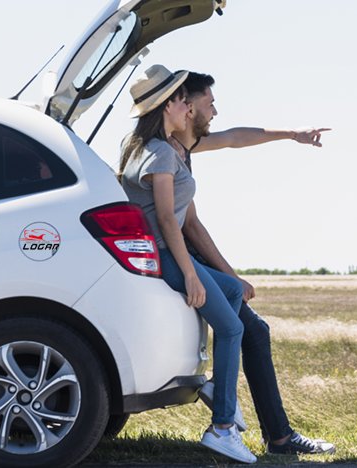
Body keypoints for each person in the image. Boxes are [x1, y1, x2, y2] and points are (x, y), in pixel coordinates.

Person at [175, 70, 336, 455]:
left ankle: (271, 429)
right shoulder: (163, 151)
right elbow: (189, 229)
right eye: (210, 103)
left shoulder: (184, 146)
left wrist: (291, 133)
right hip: (182, 259)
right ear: (188, 106)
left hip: (192, 256)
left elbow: (235, 138)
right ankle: (274, 435)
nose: (215, 111)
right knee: (252, 330)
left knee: (253, 329)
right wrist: (232, 278)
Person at [117, 64, 255, 464]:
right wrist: (191, 274)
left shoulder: (145, 144)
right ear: (168, 106)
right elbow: (165, 220)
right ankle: (223, 429)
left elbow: (229, 141)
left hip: (162, 250)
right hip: (162, 254)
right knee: (232, 328)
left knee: (231, 291)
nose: (188, 109)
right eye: (182, 101)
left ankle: (217, 390)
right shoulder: (160, 153)